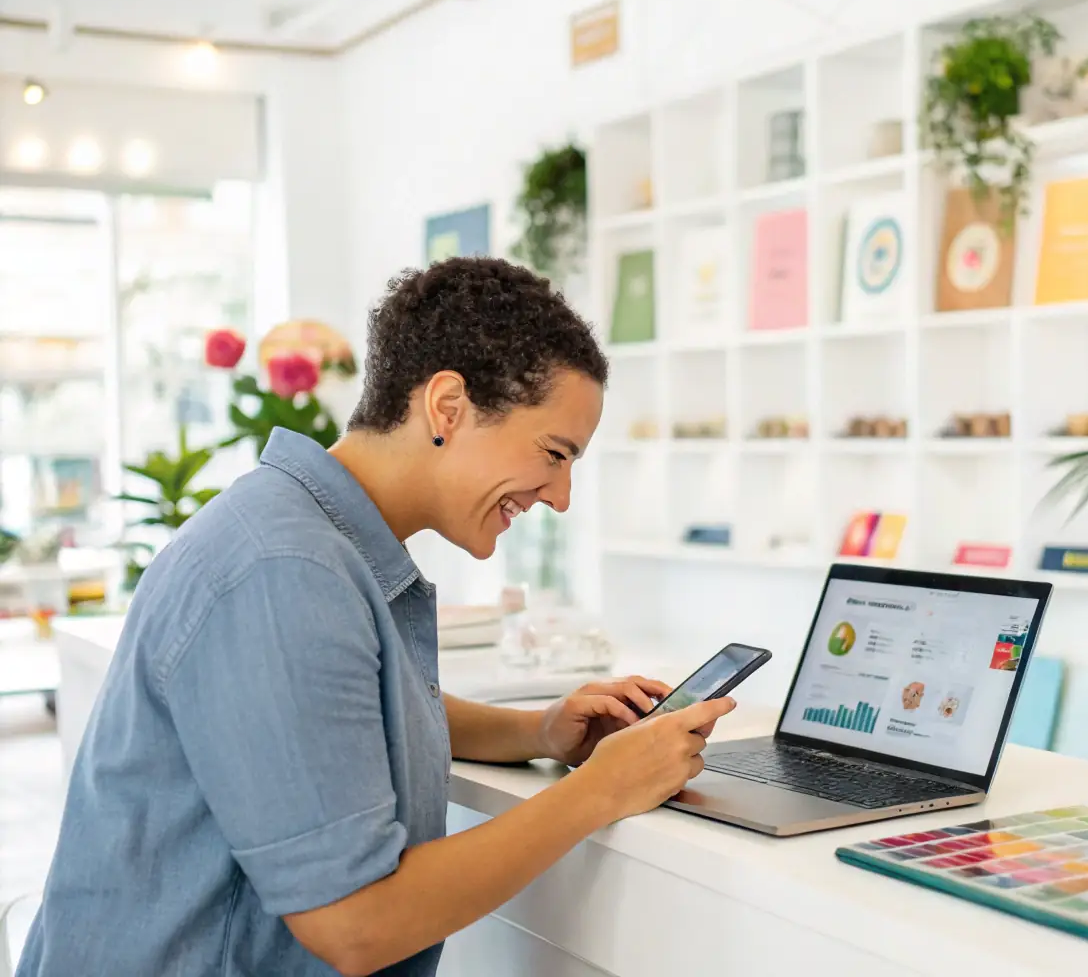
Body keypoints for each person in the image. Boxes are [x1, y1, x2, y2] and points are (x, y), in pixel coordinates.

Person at [17, 257, 736, 977]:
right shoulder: (286, 572)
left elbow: (337, 720)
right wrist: (599, 790)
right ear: (446, 407)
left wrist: (538, 731)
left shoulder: (309, 539)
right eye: (553, 453)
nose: (561, 495)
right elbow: (355, 924)